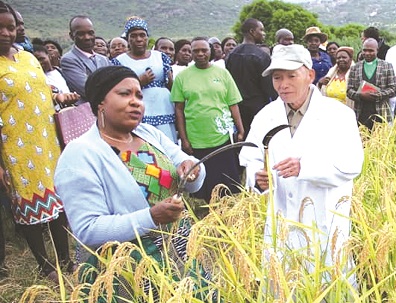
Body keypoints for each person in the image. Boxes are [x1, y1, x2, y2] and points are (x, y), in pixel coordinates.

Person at [54, 66, 208, 303]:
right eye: (124, 94)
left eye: (139, 94)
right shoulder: (80, 154)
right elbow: (87, 229)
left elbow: (188, 167)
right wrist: (151, 217)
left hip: (178, 252)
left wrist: (191, 167)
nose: (136, 101)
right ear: (100, 102)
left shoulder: (149, 134)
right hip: (126, 272)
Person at [239, 44, 364, 298]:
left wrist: (304, 167)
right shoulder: (265, 116)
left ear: (310, 75)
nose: (283, 84)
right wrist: (257, 178)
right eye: (277, 77)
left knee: (329, 289)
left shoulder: (338, 115)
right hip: (282, 216)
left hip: (325, 215)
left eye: (290, 76)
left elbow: (352, 163)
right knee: (283, 292)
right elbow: (250, 157)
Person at [0, 1, 78, 282]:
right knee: (28, 205)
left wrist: (58, 97)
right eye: (1, 28)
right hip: (15, 149)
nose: (7, 33)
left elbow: (41, 90)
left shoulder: (28, 58)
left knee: (56, 203)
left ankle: (66, 260)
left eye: (11, 27)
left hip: (46, 142)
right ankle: (45, 266)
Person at [171, 37, 245, 201]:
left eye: (204, 50)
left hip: (222, 136)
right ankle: (206, 213)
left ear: (210, 51)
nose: (200, 54)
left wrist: (240, 129)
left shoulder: (222, 73)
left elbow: (233, 103)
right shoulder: (182, 77)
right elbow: (179, 109)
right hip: (196, 138)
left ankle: (228, 209)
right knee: (204, 183)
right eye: (195, 51)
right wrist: (184, 139)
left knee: (227, 181)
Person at [112, 17, 176, 142]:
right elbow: (117, 89)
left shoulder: (161, 57)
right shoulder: (119, 61)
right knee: (143, 145)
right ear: (128, 39)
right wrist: (139, 82)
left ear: (147, 37)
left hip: (163, 107)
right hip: (138, 109)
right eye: (134, 36)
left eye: (142, 35)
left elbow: (171, 84)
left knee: (167, 143)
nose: (139, 39)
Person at [226, 18, 277, 138]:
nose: (264, 33)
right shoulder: (262, 56)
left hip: (237, 109)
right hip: (258, 107)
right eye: (261, 30)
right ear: (252, 31)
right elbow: (269, 87)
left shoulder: (231, 55)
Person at [347, 39, 396, 129]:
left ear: (377, 51)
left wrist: (378, 94)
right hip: (361, 114)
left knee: (381, 141)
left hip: (381, 114)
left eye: (371, 51)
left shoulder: (386, 66)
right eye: (365, 50)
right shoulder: (355, 68)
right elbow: (349, 90)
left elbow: (393, 89)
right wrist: (360, 95)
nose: (367, 53)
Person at [61, 16, 111, 99]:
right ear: (71, 36)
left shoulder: (103, 59)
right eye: (81, 34)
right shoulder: (68, 60)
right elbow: (87, 89)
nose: (87, 37)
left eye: (90, 33)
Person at [33, 45, 79, 111]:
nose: (39, 63)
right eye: (35, 61)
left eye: (41, 59)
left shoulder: (60, 72)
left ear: (49, 57)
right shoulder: (36, 79)